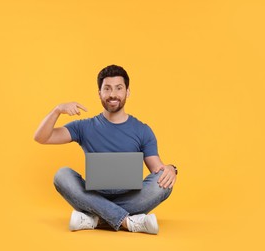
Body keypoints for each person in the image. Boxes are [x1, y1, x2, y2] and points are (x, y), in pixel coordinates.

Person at [34, 65, 178, 234]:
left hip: (130, 198)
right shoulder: (84, 127)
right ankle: (126, 221)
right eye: (107, 89)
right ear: (99, 93)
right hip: (92, 194)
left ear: (127, 92)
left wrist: (171, 169)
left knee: (164, 181)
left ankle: (94, 218)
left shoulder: (142, 130)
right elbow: (41, 137)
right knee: (62, 175)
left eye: (119, 88)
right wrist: (57, 110)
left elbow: (157, 169)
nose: (112, 95)